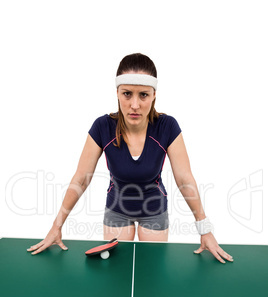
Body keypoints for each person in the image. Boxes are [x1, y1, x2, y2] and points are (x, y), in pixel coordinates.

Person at [27, 53, 233, 264]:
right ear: (117, 93)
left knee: (151, 274)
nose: (135, 104)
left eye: (143, 95)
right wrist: (56, 226)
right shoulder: (102, 127)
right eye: (127, 94)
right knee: (116, 274)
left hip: (154, 210)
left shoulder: (167, 127)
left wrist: (204, 229)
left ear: (154, 95)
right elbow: (81, 178)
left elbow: (184, 179)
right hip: (117, 210)